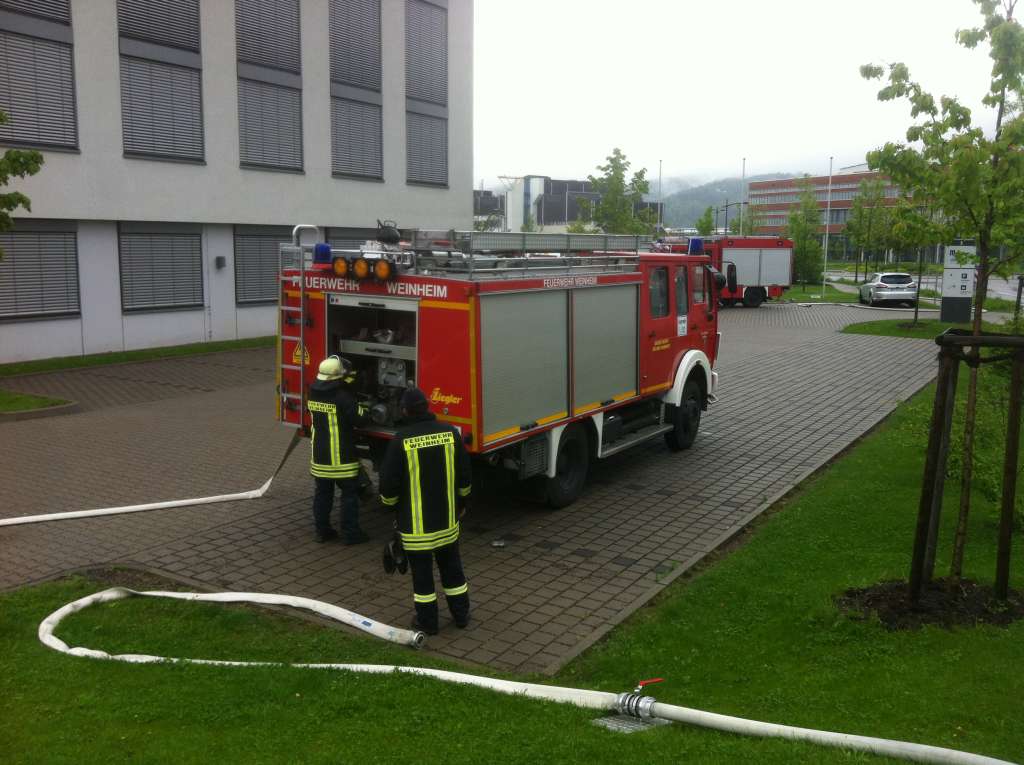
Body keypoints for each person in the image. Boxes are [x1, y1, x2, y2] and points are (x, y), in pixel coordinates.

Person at [379, 387, 472, 635]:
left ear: (406, 411)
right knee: (453, 571)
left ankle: (428, 623)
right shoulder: (450, 433)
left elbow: (389, 483)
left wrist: (389, 506)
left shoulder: (401, 440)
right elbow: (464, 475)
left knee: (422, 580)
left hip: (416, 530)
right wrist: (462, 502)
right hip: (447, 523)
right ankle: (461, 615)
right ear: (427, 407)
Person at [307, 355, 370, 544]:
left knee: (323, 495)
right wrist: (365, 407)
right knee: (349, 496)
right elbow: (360, 419)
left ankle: (322, 531)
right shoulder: (342, 397)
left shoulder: (312, 392)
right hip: (342, 458)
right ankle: (351, 534)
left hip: (320, 457)